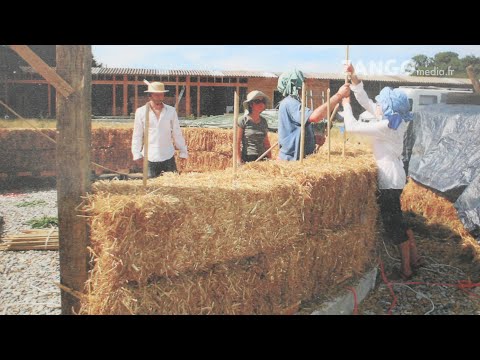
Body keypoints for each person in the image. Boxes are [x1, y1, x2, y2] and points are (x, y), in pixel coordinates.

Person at [342, 63, 424, 281]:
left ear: (388, 109)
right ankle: (416, 259)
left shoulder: (386, 126)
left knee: (393, 226)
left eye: (381, 103)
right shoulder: (395, 120)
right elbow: (367, 101)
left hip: (388, 180)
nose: (377, 104)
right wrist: (353, 76)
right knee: (399, 220)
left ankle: (406, 270)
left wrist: (345, 104)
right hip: (395, 176)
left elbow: (351, 126)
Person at [276, 69, 350, 161]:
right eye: (303, 81)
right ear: (296, 84)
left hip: (298, 158)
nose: (305, 84)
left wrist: (313, 139)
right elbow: (314, 117)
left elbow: (294, 131)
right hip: (292, 160)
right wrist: (339, 95)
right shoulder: (290, 102)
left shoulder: (291, 102)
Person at [131, 81, 188, 177]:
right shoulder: (140, 112)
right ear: (150, 95)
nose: (159, 97)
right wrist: (136, 154)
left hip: (168, 157)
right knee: (151, 187)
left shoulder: (171, 111)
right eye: (156, 94)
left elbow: (177, 133)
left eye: (161, 94)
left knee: (172, 187)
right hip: (149, 158)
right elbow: (137, 135)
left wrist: (183, 151)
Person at [237, 91, 272, 163]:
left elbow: (266, 142)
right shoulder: (243, 120)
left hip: (263, 158)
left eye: (263, 101)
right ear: (251, 104)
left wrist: (270, 158)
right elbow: (237, 142)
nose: (261, 104)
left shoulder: (263, 121)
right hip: (248, 159)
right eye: (257, 101)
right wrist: (238, 160)